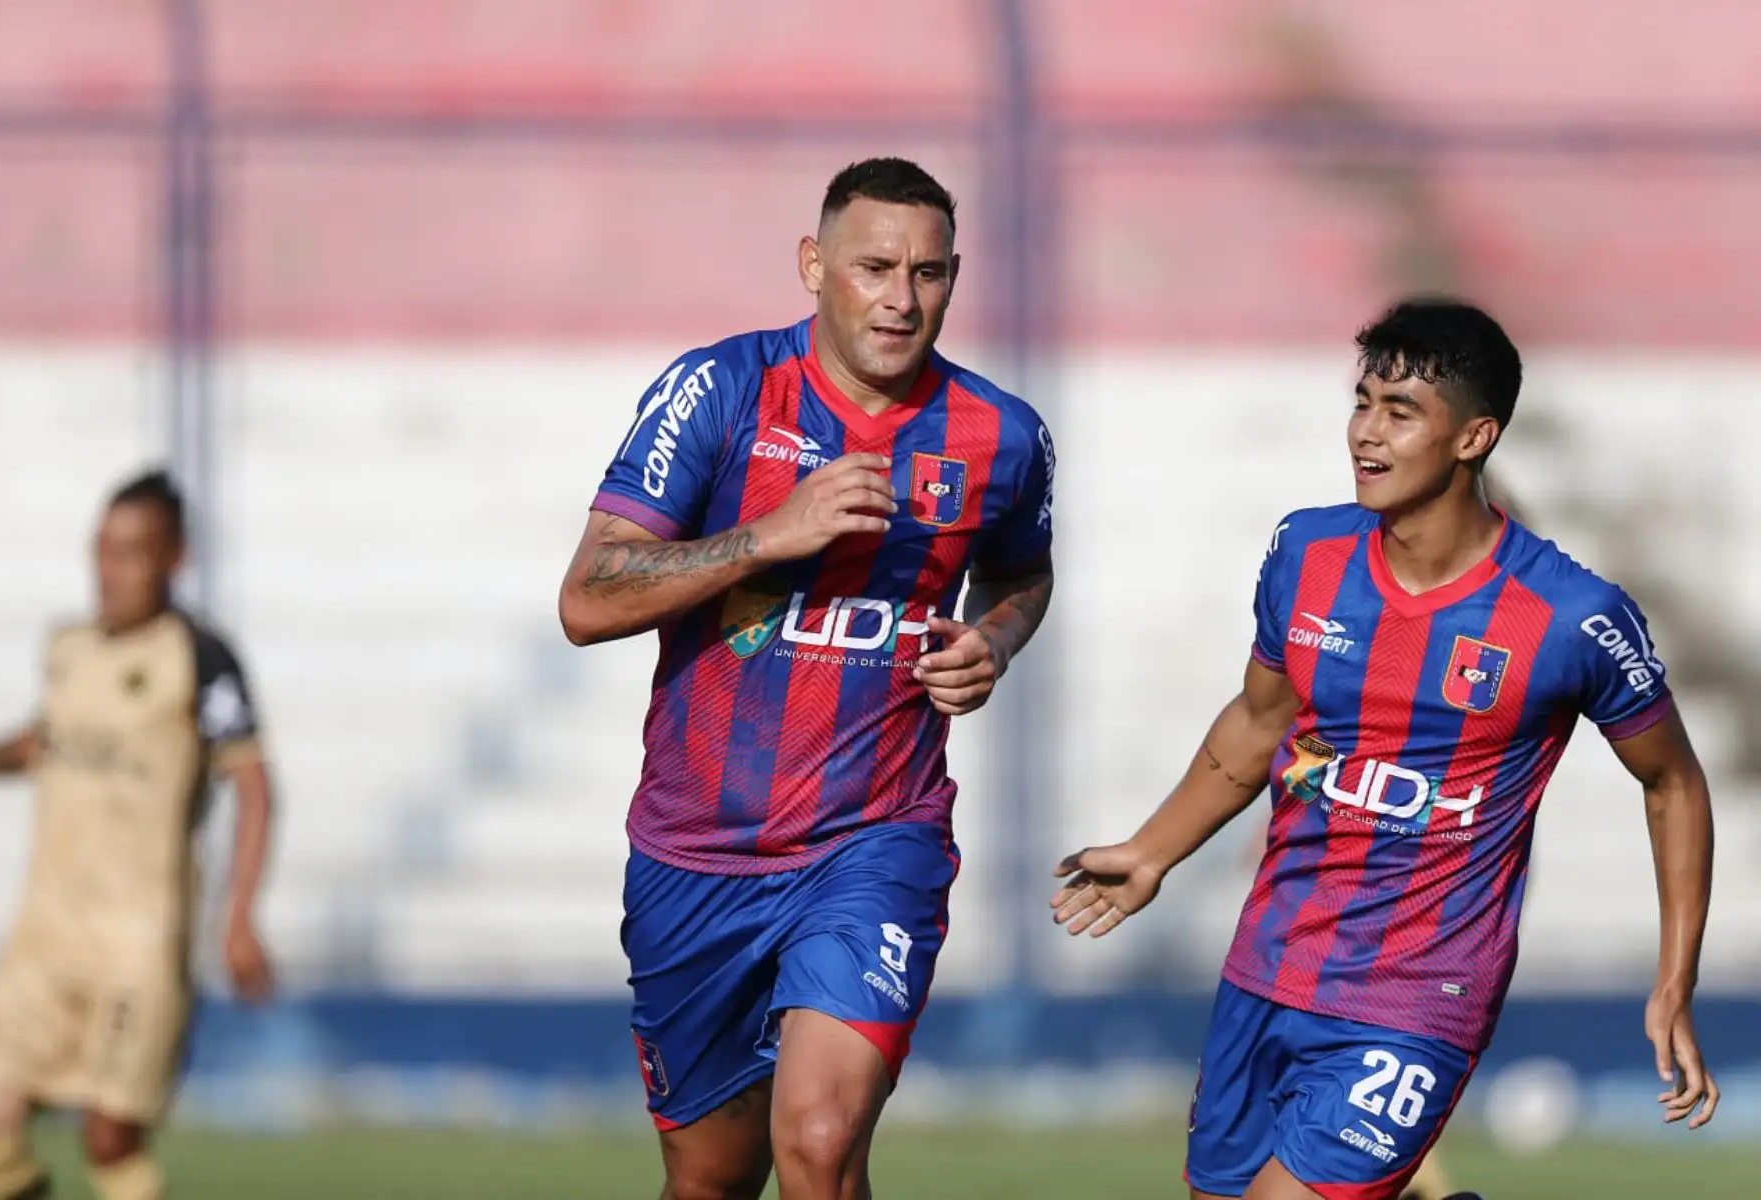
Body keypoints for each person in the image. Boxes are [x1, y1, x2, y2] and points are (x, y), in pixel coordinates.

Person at [1051, 298, 1717, 1200]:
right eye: (1362, 401)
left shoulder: (1572, 616)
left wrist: (1673, 982)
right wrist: (1150, 852)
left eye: (1400, 413)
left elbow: (1672, 781)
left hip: (1419, 996)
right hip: (1269, 964)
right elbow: (1255, 725)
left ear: (1473, 436)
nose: (1366, 432)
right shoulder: (1307, 551)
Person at [559, 156, 1055, 1199]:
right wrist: (769, 536)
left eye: (928, 273)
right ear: (813, 265)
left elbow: (1020, 574)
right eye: (875, 267)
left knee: (821, 1142)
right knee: (710, 1181)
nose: (901, 298)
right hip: (696, 855)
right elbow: (590, 597)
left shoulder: (1000, 434)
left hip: (874, 839)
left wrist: (995, 641)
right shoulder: (725, 390)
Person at [0, 470, 277, 1200]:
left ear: (175, 559)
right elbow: (50, 741)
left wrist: (239, 918)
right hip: (44, 935)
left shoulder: (199, 658)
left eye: (132, 551)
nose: (110, 568)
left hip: (137, 939)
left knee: (109, 1136)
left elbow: (255, 786)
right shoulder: (68, 647)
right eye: (102, 549)